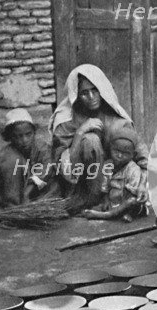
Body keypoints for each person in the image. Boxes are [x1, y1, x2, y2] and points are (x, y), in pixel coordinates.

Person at [50, 64, 149, 211]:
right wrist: (80, 132)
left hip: (112, 184)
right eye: (84, 93)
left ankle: (106, 198)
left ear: (102, 89)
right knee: (91, 140)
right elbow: (61, 165)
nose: (91, 97)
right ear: (76, 95)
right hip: (78, 183)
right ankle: (89, 198)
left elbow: (145, 160)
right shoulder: (66, 121)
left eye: (95, 90)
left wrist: (142, 184)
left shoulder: (116, 120)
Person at [0, 108, 57, 207]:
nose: (24, 140)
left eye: (28, 134)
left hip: (37, 190)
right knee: (12, 162)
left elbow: (46, 170)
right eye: (18, 136)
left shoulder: (43, 149)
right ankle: (14, 207)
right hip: (15, 194)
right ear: (10, 137)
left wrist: (27, 193)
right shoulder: (6, 155)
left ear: (34, 133)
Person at [83, 127, 147, 222]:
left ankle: (105, 215)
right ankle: (113, 212)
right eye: (116, 151)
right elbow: (104, 188)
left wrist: (122, 206)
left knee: (133, 202)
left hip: (128, 202)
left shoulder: (134, 170)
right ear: (110, 149)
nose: (120, 155)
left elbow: (131, 193)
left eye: (125, 153)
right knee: (102, 205)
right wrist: (106, 201)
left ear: (133, 155)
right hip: (113, 201)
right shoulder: (107, 166)